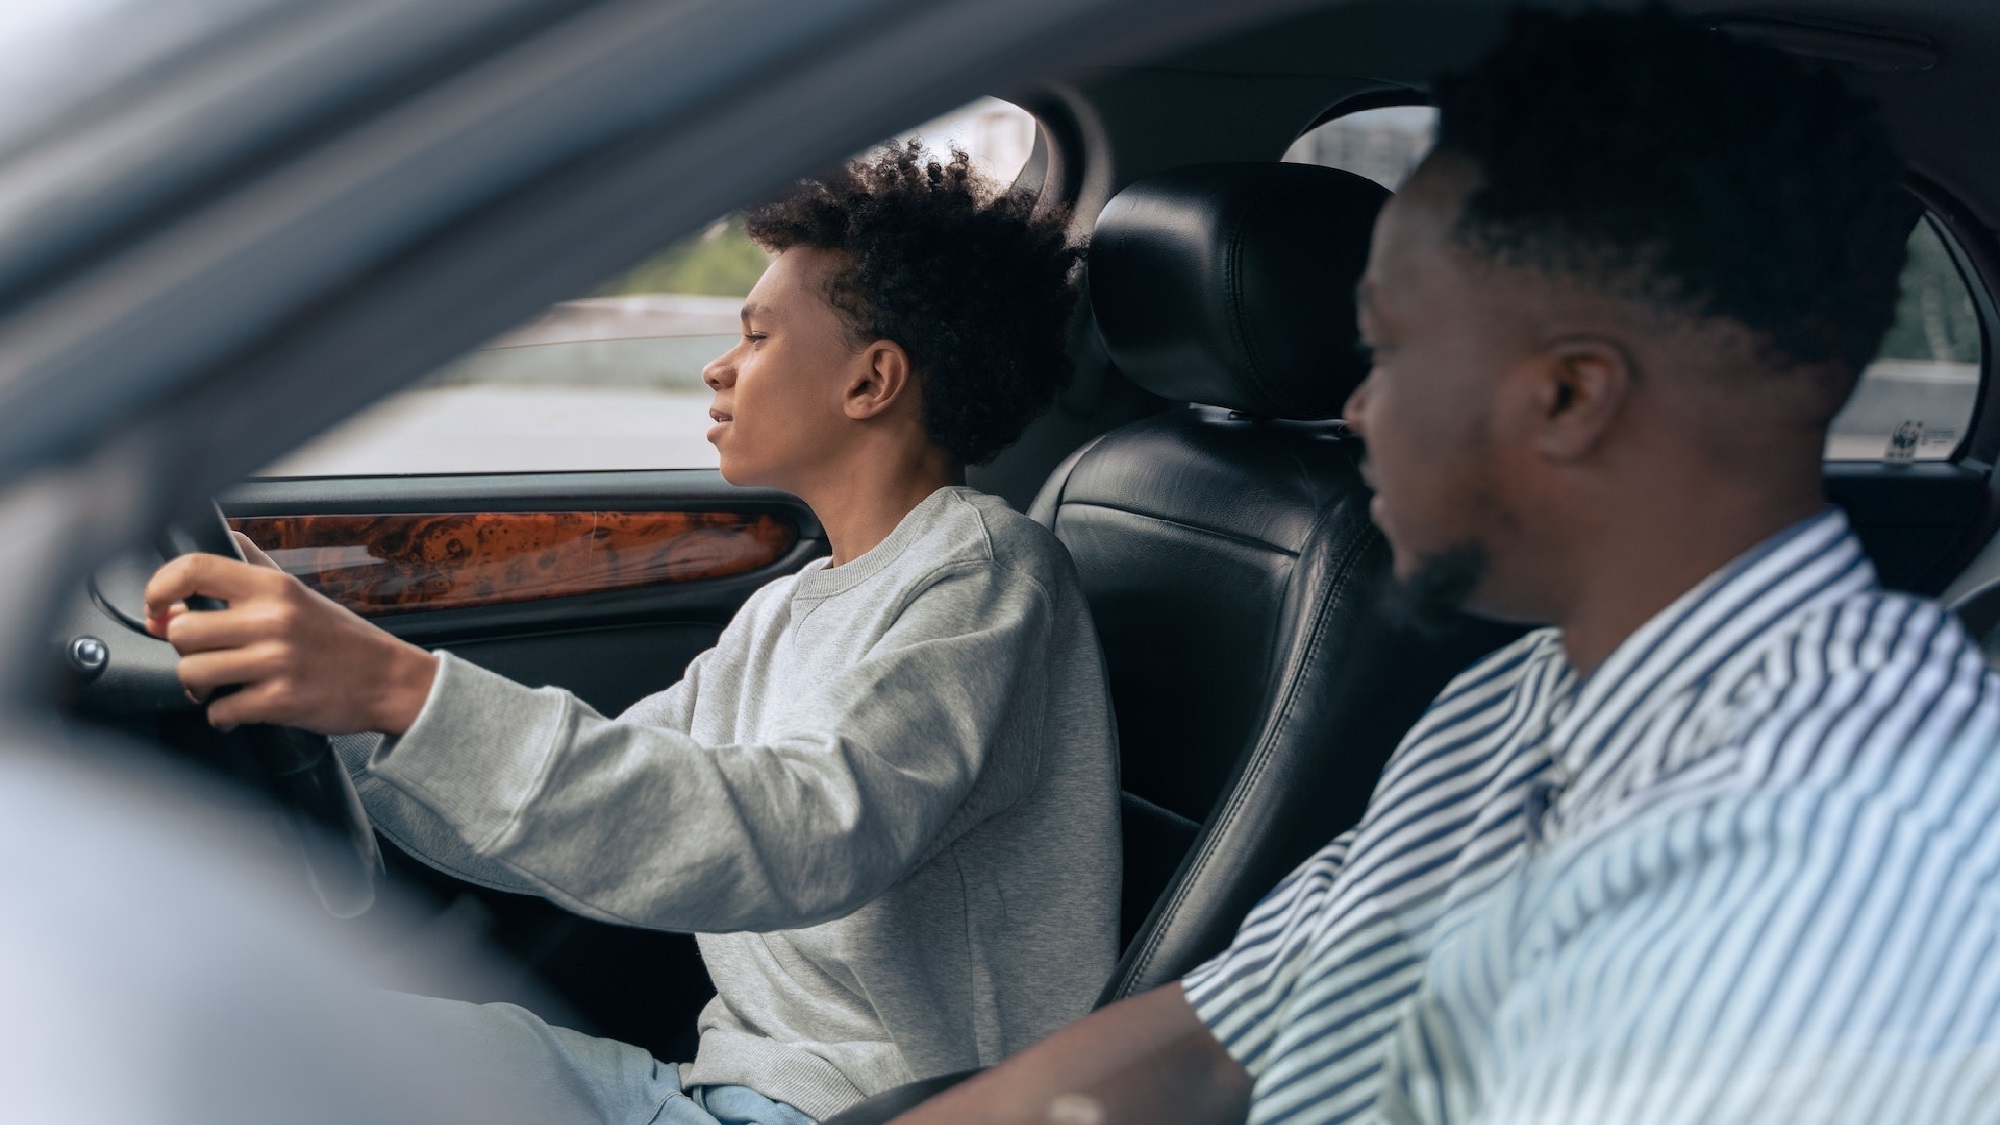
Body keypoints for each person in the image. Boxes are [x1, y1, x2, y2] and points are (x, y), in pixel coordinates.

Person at [893, 9, 2000, 1124]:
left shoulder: (1854, 822)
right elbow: (1215, 1037)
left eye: (1388, 351)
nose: (1356, 409)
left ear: (1568, 397)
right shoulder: (1514, 700)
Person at [144, 142, 1120, 1125]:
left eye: (758, 337)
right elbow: (605, 813)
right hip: (710, 1088)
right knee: (253, 1034)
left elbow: (805, 834)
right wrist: (352, 715)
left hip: (863, 1109)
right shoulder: (784, 608)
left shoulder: (983, 573)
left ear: (871, 382)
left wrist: (394, 687)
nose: (717, 366)